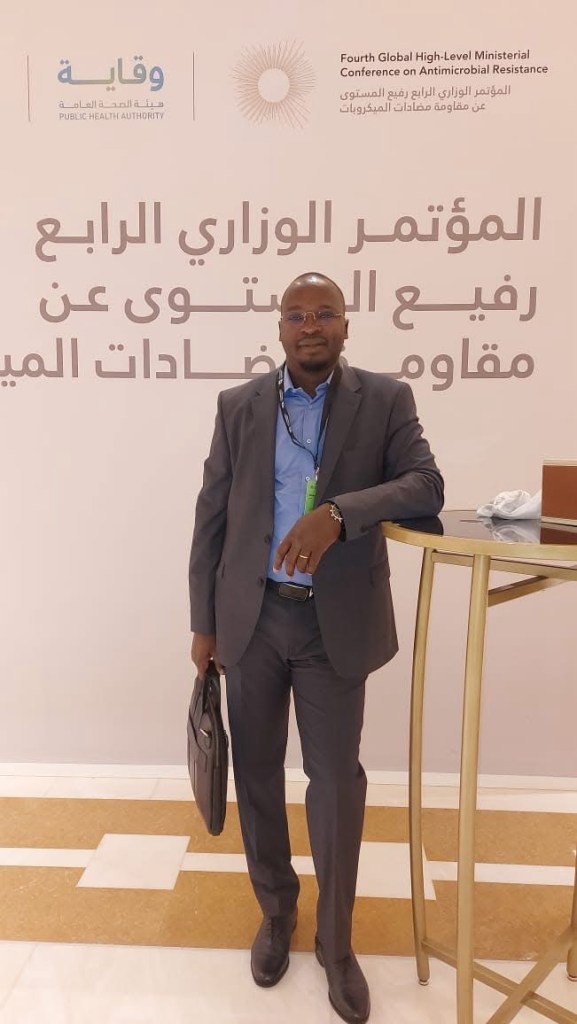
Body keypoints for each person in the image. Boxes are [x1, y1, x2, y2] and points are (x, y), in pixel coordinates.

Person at [189, 271, 443, 1024]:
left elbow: (425, 485)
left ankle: (336, 942)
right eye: (296, 315)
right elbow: (210, 516)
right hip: (252, 619)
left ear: (345, 326)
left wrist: (338, 512)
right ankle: (277, 913)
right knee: (257, 775)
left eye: (324, 313)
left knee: (335, 783)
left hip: (333, 624)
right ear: (278, 328)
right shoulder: (239, 407)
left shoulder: (384, 400)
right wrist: (203, 624)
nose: (310, 325)